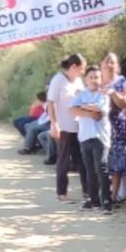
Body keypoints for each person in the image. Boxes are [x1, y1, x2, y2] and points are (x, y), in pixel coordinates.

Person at [70, 65, 111, 212]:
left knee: (101, 169)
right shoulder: (81, 95)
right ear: (85, 79)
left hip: (100, 137)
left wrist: (83, 108)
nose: (94, 80)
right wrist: (88, 111)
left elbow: (99, 111)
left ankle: (106, 200)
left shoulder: (103, 95)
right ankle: (93, 199)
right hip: (85, 136)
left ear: (101, 79)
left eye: (97, 77)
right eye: (91, 77)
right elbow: (72, 109)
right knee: (89, 170)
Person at [46, 54, 86, 202]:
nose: (82, 72)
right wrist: (54, 123)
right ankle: (62, 193)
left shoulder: (79, 81)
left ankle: (87, 191)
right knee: (63, 160)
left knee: (81, 160)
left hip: (78, 126)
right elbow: (51, 102)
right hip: (64, 126)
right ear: (73, 67)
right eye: (81, 69)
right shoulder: (58, 80)